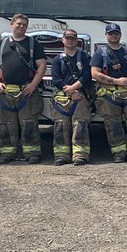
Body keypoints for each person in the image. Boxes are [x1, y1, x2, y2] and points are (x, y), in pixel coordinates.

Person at [0, 13, 47, 164]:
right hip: (6, 91)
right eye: (19, 24)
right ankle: (8, 153)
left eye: (24, 25)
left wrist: (33, 85)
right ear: (12, 25)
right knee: (6, 124)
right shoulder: (1, 44)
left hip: (27, 91)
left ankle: (32, 153)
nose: (21, 26)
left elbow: (42, 66)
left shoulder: (34, 44)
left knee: (29, 123)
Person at [91, 23, 127, 163]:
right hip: (109, 94)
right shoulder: (100, 53)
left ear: (120, 35)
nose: (113, 35)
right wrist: (116, 81)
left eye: (116, 33)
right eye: (111, 33)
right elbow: (95, 73)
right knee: (113, 123)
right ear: (106, 35)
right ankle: (118, 153)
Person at [49, 29, 93, 166]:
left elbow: (87, 75)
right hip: (63, 96)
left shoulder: (85, 57)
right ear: (63, 40)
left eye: (73, 38)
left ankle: (80, 155)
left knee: (80, 124)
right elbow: (55, 79)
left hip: (81, 96)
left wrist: (74, 88)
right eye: (67, 38)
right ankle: (61, 155)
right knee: (60, 125)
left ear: (77, 41)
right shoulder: (57, 60)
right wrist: (70, 91)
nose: (70, 41)